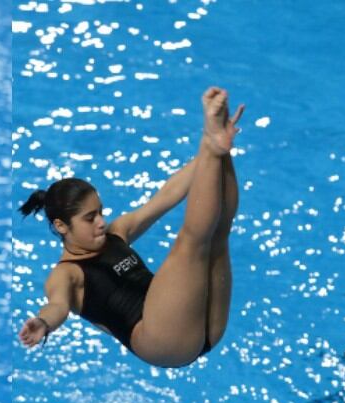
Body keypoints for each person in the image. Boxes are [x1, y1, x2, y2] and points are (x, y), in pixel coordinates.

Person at [18, 87, 245, 368]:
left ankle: (217, 145)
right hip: (160, 342)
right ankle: (214, 145)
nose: (101, 221)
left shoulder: (116, 232)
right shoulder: (65, 275)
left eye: (100, 212)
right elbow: (57, 307)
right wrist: (43, 323)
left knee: (219, 232)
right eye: (90, 218)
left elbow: (165, 197)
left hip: (202, 329)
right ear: (62, 226)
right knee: (190, 244)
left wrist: (211, 150)